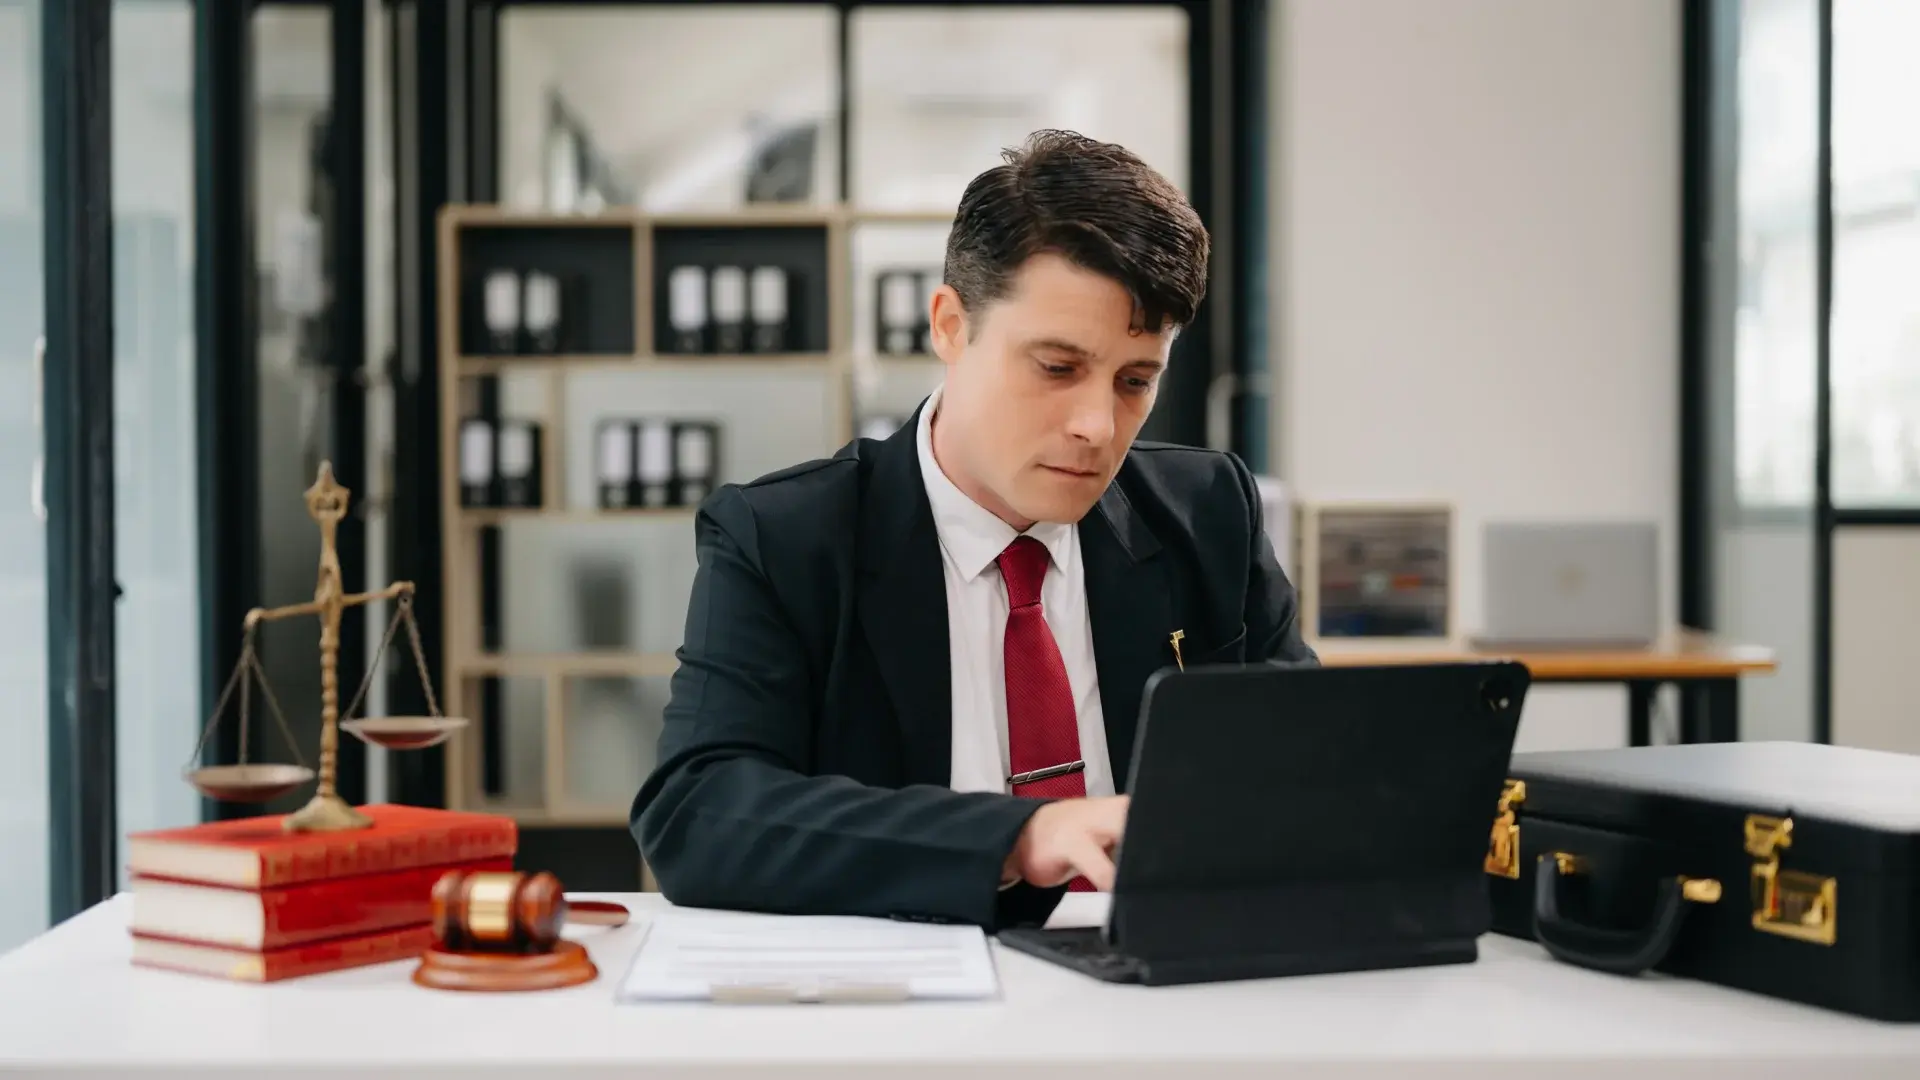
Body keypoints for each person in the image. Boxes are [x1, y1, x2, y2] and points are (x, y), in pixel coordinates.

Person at [629, 129, 1318, 930]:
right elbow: (696, 812)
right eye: (1056, 368)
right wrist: (1017, 838)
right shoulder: (787, 539)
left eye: (1136, 381)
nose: (1097, 425)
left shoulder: (1209, 515)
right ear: (950, 326)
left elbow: (1304, 769)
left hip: (1160, 1002)